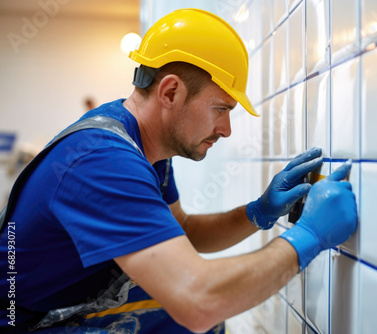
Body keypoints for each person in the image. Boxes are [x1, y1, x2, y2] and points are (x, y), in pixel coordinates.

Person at [0, 8, 358, 334]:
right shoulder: (103, 161)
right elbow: (198, 301)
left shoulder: (142, 141)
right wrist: (309, 237)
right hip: (20, 322)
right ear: (170, 92)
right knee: (196, 318)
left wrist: (258, 211)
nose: (226, 129)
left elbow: (182, 230)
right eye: (221, 109)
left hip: (52, 307)